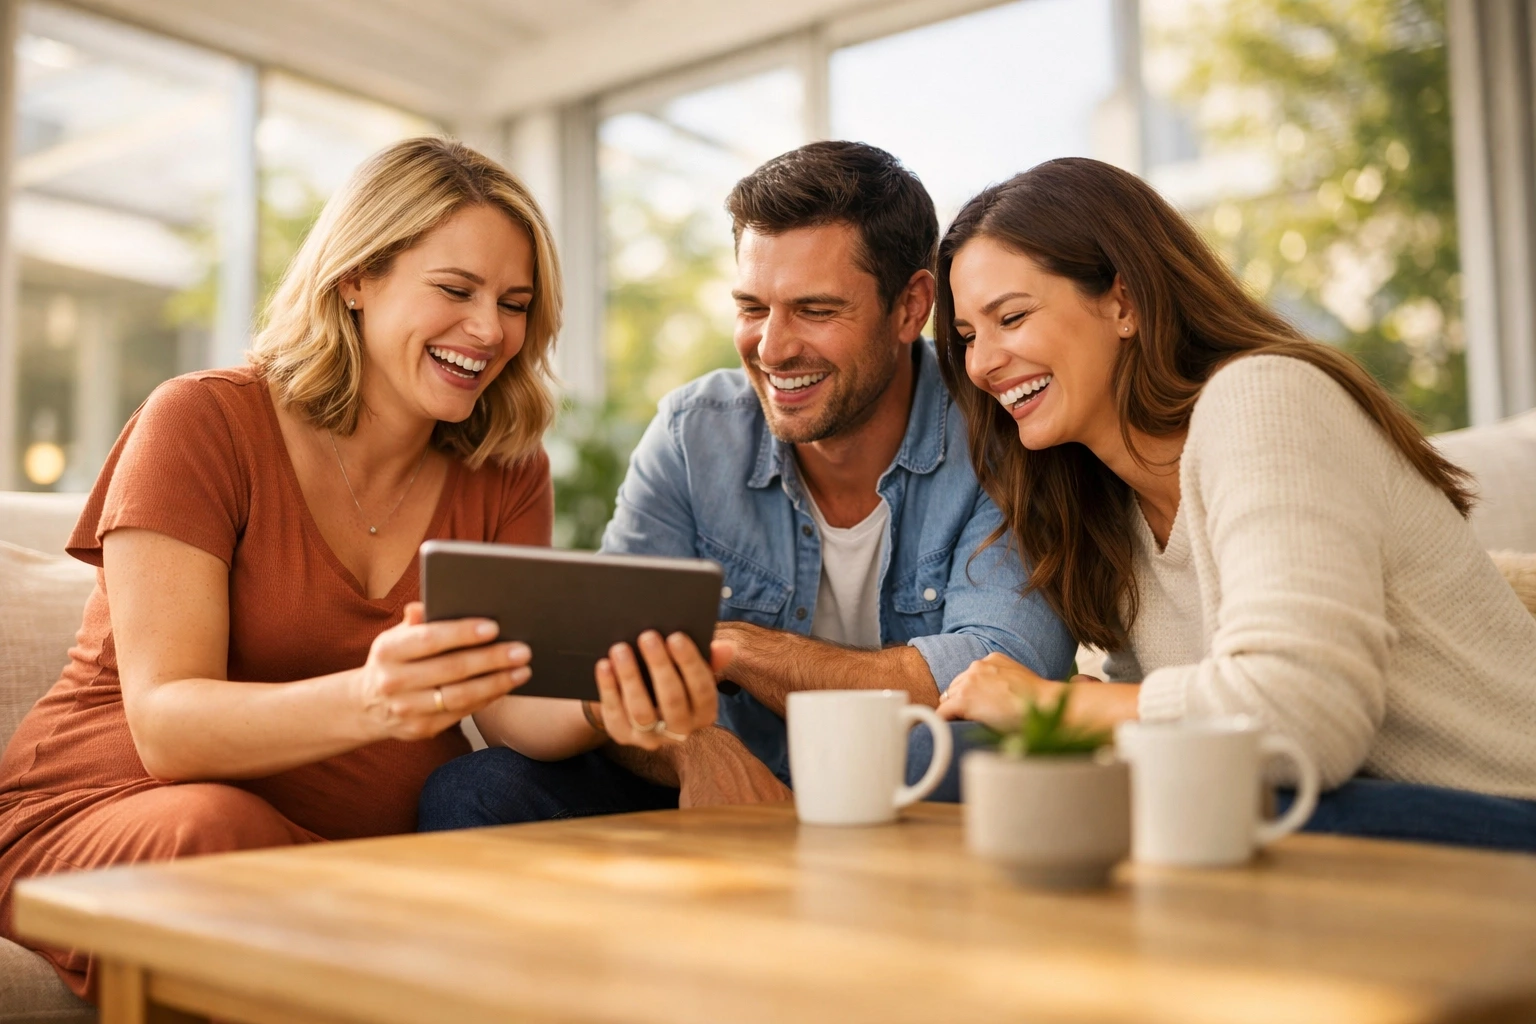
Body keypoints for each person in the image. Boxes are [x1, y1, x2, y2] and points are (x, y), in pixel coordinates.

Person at [0, 137, 700, 1000]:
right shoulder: (203, 421)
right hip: (117, 811)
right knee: (215, 832)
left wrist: (610, 699)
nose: (490, 331)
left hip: (364, 856)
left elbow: (516, 708)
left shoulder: (507, 468)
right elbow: (166, 727)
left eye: (515, 303)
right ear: (355, 279)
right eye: (456, 290)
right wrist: (372, 701)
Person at [418, 141, 1075, 828]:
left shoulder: (997, 426)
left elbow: (1000, 669)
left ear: (911, 307)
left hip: (899, 784)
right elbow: (605, 663)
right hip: (726, 779)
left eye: (816, 310)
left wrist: (728, 645)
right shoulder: (693, 435)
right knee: (477, 788)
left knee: (957, 749)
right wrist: (694, 749)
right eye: (753, 307)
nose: (772, 348)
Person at [931, 157, 1536, 850]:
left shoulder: (1264, 398)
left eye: (1011, 317)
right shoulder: (1109, 509)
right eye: (969, 337)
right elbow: (1164, 730)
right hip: (1353, 825)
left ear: (1123, 303)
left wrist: (1050, 704)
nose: (981, 365)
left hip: (1506, 817)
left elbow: (1304, 720)